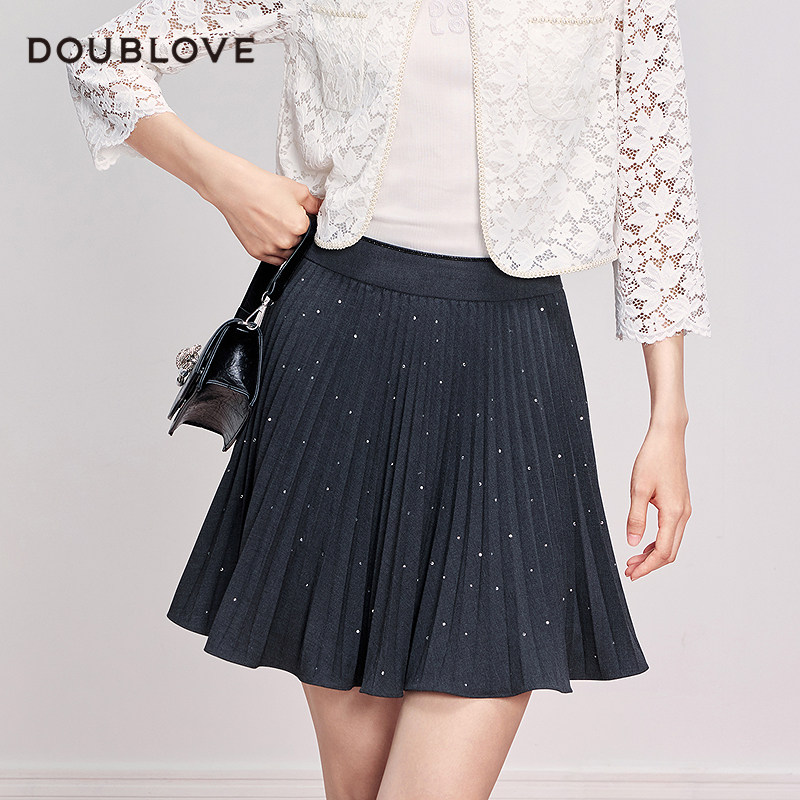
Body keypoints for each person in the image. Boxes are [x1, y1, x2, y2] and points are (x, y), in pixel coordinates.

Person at [65, 1, 710, 797]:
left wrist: (669, 419)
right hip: (336, 353)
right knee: (358, 788)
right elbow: (102, 57)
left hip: (511, 369)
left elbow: (656, 194)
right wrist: (225, 184)